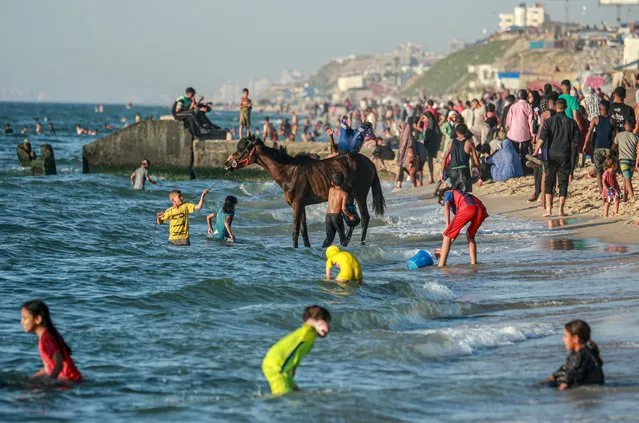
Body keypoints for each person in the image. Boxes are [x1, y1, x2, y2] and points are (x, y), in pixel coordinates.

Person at [262, 305, 331, 396]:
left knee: (296, 393)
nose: (327, 326)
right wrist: (317, 324)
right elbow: (309, 321)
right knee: (282, 397)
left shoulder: (312, 337)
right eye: (325, 322)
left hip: (284, 368)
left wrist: (293, 371)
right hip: (277, 366)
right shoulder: (307, 331)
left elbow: (297, 355)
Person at [20, 300, 82, 383]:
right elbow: (50, 366)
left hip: (69, 382)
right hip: (72, 380)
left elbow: (59, 363)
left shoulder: (46, 340)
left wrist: (50, 381)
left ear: (38, 319)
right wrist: (32, 378)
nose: (21, 322)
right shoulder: (49, 335)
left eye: (25, 318)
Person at [538, 98, 579, 217]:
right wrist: (574, 160)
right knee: (563, 182)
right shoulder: (572, 123)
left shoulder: (549, 121)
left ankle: (549, 210)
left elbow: (542, 138)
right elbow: (575, 143)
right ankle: (561, 210)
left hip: (551, 155)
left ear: (556, 107)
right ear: (566, 107)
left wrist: (536, 150)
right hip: (565, 155)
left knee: (549, 181)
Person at [543, 320, 604, 390]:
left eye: (565, 336)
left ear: (575, 338)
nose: (563, 339)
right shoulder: (587, 352)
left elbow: (567, 381)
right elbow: (562, 371)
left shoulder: (580, 356)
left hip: (582, 393)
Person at [436, 189, 488, 267]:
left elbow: (446, 205)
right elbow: (454, 233)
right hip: (481, 210)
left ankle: (441, 265)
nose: (449, 207)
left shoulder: (448, 192)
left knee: (447, 235)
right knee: (470, 235)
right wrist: (443, 250)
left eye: (442, 202)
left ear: (443, 197)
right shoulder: (462, 196)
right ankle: (474, 264)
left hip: (468, 208)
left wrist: (447, 225)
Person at [584, 100, 614, 195]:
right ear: (608, 109)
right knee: (607, 170)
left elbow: (589, 133)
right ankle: (608, 189)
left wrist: (585, 144)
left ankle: (602, 191)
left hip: (598, 148)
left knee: (598, 171)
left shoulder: (595, 119)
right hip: (608, 149)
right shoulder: (612, 120)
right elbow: (616, 134)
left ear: (600, 109)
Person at [440, 124, 480, 192]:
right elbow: (476, 161)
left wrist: (441, 172)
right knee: (464, 196)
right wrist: (479, 172)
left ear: (456, 132)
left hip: (452, 172)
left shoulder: (451, 142)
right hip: (464, 172)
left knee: (454, 195)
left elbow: (444, 159)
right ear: (466, 132)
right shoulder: (469, 143)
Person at [505, 90, 535, 174]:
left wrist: (508, 131)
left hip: (513, 134)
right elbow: (530, 122)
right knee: (524, 153)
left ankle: (516, 170)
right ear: (526, 96)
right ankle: (524, 170)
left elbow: (508, 122)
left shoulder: (513, 106)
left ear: (518, 97)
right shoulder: (528, 106)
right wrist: (532, 134)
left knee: (514, 153)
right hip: (525, 134)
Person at [322, 174, 355, 247]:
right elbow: (343, 208)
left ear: (332, 182)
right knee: (342, 238)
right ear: (343, 182)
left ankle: (322, 253)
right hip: (336, 217)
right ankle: (344, 252)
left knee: (329, 239)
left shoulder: (331, 190)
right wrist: (350, 216)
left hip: (328, 216)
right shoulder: (344, 194)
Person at [614, 120, 639, 202]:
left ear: (625, 126)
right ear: (633, 127)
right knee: (626, 179)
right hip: (632, 160)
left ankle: (632, 196)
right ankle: (625, 198)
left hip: (623, 160)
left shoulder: (619, 135)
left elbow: (614, 146)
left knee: (627, 179)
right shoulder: (635, 137)